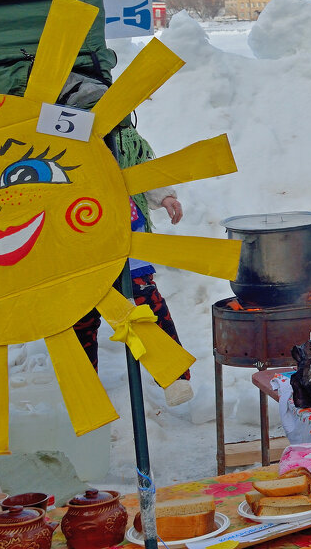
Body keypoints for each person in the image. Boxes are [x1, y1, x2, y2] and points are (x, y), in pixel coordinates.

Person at [62, 77, 194, 407]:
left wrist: (165, 197)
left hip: (123, 228)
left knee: (144, 300)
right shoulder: (55, 137)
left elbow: (143, 164)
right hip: (75, 236)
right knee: (80, 312)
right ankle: (85, 388)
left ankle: (173, 376)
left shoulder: (122, 135)